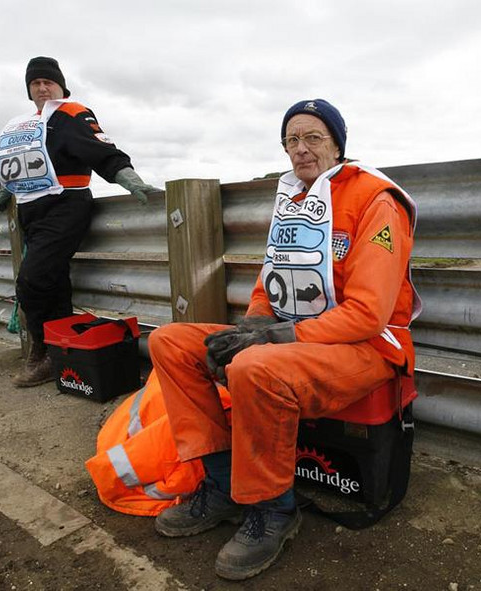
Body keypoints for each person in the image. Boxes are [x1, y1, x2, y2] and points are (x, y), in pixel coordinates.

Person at [147, 99, 420, 580]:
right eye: (291, 140)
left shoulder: (377, 201)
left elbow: (368, 314)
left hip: (366, 349)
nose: (301, 149)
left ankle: (274, 509)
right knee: (170, 342)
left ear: (338, 144)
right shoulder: (294, 200)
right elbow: (268, 284)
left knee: (255, 366)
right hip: (291, 340)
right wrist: (253, 324)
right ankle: (222, 486)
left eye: (313, 137)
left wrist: (276, 338)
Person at [0, 56, 159, 387]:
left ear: (60, 86)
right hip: (31, 211)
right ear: (28, 90)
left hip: (65, 207)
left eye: (48, 82)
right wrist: (5, 191)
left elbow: (99, 148)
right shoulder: (24, 127)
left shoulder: (70, 113)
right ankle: (62, 353)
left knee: (31, 280)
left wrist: (129, 178)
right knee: (53, 283)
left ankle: (41, 353)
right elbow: (23, 166)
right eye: (35, 83)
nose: (42, 87)